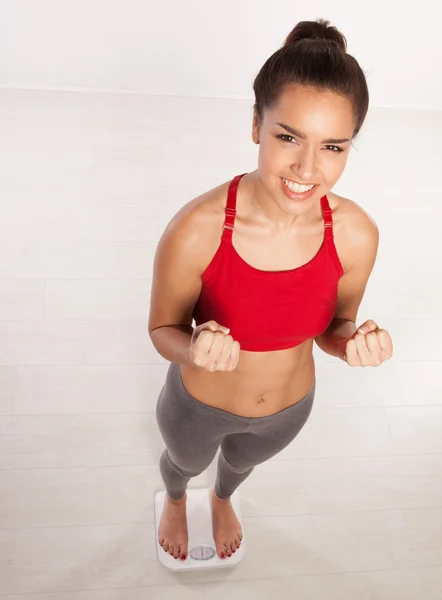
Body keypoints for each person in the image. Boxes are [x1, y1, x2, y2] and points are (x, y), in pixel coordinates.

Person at [148, 18, 393, 563]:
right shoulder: (197, 228)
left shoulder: (356, 233)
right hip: (198, 405)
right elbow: (162, 328)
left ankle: (222, 496)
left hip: (290, 408)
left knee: (239, 466)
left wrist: (353, 341)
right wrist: (191, 348)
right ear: (256, 125)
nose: (308, 169)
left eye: (333, 146)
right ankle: (174, 497)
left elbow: (335, 326)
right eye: (288, 137)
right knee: (182, 462)